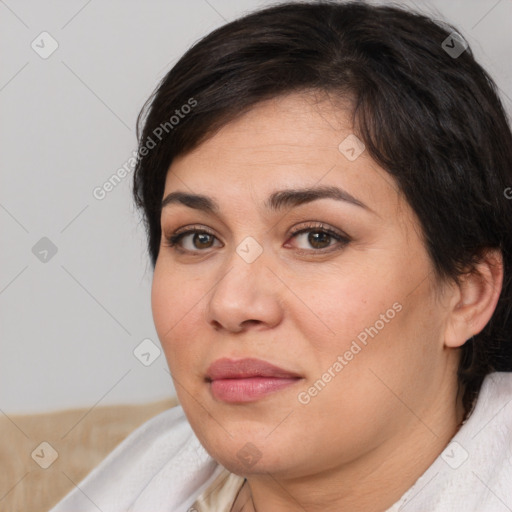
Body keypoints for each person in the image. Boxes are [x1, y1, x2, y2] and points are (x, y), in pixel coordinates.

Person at [49, 1, 512, 511]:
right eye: (198, 238)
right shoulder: (128, 485)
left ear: (468, 293)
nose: (231, 303)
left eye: (317, 237)